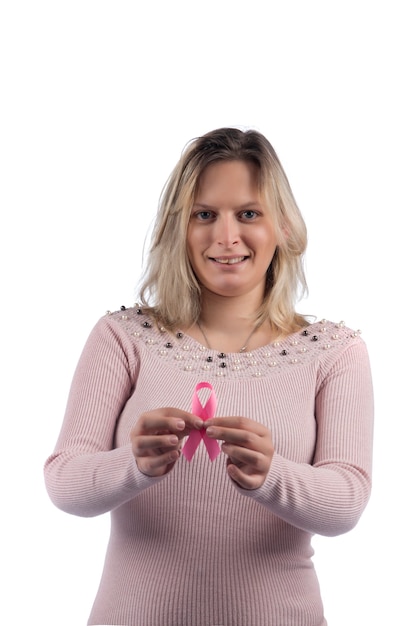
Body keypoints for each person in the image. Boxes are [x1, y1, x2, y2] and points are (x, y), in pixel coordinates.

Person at [44, 127, 374, 626]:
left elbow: (346, 502)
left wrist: (272, 475)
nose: (226, 237)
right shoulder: (123, 336)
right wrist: (132, 465)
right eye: (204, 215)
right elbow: (64, 482)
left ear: (282, 226)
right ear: (180, 227)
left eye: (248, 213)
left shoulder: (334, 352)